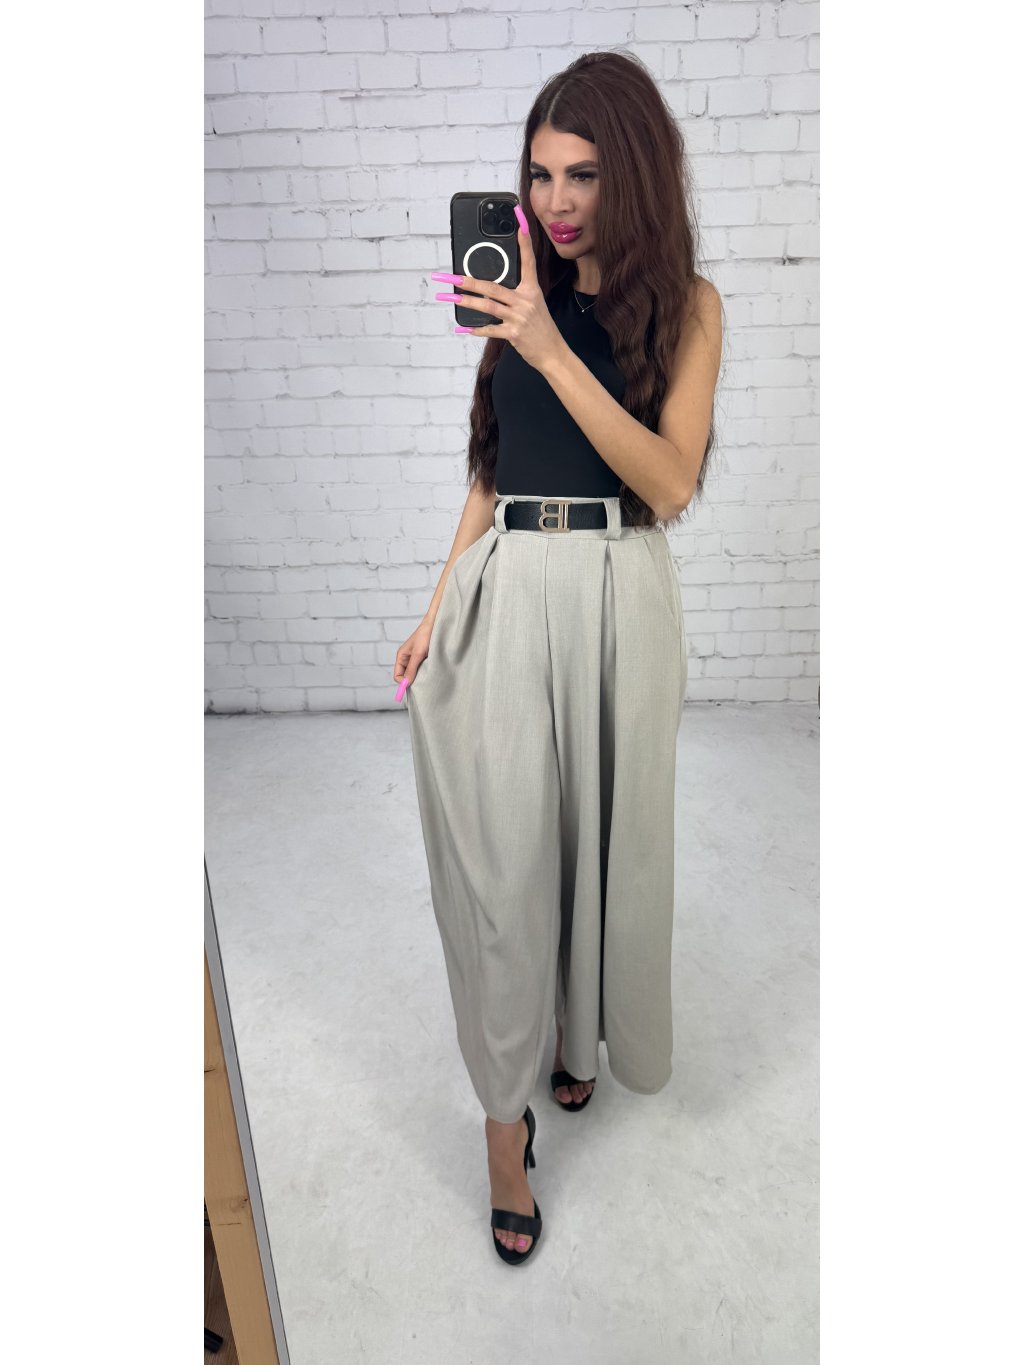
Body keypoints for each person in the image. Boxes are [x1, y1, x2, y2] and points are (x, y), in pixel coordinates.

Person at [393, 51, 723, 1265]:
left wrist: (547, 344)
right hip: (509, 586)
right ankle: (502, 1127)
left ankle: (575, 1046)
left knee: (599, 848)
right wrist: (438, 603)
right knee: (504, 872)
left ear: (631, 174)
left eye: (582, 173)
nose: (557, 199)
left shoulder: (689, 307)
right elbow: (492, 465)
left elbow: (668, 483)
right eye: (539, 174)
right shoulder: (515, 293)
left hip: (621, 594)